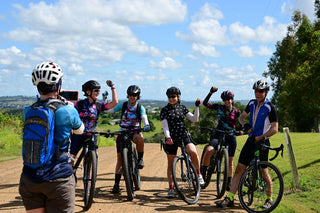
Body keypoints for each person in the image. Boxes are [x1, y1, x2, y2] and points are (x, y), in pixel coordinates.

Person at [19, 61, 84, 213]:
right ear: (59, 84)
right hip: (58, 179)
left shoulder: (28, 111)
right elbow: (80, 130)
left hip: (30, 178)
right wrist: (69, 106)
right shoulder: (68, 110)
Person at [216, 79, 278, 209]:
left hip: (263, 142)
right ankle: (230, 198)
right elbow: (241, 117)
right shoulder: (251, 103)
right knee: (239, 168)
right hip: (251, 140)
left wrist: (260, 137)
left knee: (264, 171)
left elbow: (274, 129)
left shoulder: (270, 107)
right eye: (256, 91)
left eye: (261, 91)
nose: (258, 93)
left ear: (266, 92)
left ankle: (269, 199)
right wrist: (246, 126)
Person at [160, 86, 204, 198]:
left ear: (178, 97)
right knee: (170, 164)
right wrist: (168, 137)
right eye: (169, 97)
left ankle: (198, 174)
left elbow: (195, 119)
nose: (171, 99)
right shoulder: (164, 110)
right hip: (171, 138)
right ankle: (171, 188)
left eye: (173, 96)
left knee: (193, 152)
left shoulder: (182, 108)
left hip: (183, 136)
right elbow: (165, 127)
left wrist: (197, 107)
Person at [108, 85, 150, 194]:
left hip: (135, 131)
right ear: (128, 95)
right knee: (120, 160)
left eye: (134, 95)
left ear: (138, 96)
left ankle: (140, 159)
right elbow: (110, 110)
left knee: (140, 137)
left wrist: (146, 124)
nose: (132, 97)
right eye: (131, 95)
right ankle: (116, 184)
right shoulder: (123, 106)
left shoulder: (140, 107)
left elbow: (144, 117)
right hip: (123, 131)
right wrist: (101, 108)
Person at [200, 87, 241, 190]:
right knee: (209, 151)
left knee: (230, 161)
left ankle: (228, 183)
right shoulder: (219, 107)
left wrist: (243, 131)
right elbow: (205, 104)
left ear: (232, 99)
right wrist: (210, 93)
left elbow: (242, 122)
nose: (227, 101)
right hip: (218, 134)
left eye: (229, 99)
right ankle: (203, 173)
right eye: (225, 99)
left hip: (230, 136)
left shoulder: (237, 111)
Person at [70, 80, 118, 165]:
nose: (98, 92)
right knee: (71, 157)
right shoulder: (79, 104)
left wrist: (112, 87)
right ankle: (70, 174)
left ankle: (89, 177)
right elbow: (72, 117)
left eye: (99, 90)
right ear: (88, 92)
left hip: (91, 136)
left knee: (90, 159)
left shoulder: (98, 106)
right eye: (96, 90)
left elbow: (115, 103)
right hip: (78, 134)